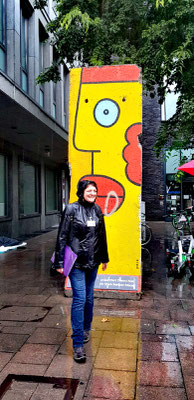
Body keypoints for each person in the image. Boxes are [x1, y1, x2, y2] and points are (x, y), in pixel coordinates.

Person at [54, 180, 109, 363]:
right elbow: (62, 235)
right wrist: (59, 262)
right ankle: (78, 344)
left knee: (89, 298)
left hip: (93, 261)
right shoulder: (71, 209)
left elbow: (102, 236)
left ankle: (86, 329)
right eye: (89, 190)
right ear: (81, 192)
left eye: (95, 190)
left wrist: (105, 258)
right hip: (76, 262)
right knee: (80, 299)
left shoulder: (97, 210)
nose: (92, 193)